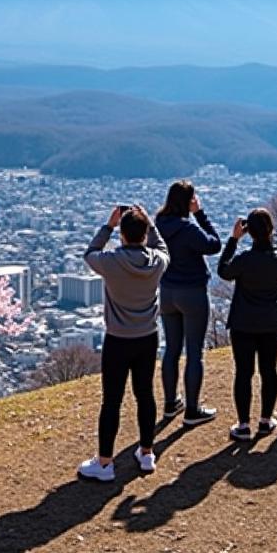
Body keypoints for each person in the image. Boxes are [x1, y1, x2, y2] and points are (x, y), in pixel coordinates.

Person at [78, 204, 169, 483]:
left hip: (118, 339)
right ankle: (146, 452)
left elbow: (90, 254)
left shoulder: (112, 262)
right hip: (148, 337)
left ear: (122, 235)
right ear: (144, 234)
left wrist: (108, 226)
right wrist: (150, 224)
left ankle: (105, 463)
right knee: (145, 394)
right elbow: (164, 249)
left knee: (112, 401)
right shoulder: (156, 261)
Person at [217, 208, 277, 440]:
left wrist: (233, 239)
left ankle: (243, 424)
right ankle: (266, 420)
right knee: (269, 371)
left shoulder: (244, 260)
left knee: (244, 373)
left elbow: (223, 271)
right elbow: (273, 249)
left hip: (244, 322)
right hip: (271, 320)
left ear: (250, 232)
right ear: (271, 230)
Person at [155, 180, 222, 427]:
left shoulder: (158, 225)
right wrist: (200, 214)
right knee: (194, 351)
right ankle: (192, 410)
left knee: (171, 349)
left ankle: (171, 402)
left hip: (167, 291)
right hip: (192, 292)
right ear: (188, 201)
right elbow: (214, 244)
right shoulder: (188, 229)